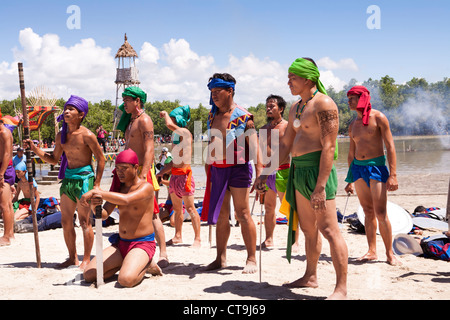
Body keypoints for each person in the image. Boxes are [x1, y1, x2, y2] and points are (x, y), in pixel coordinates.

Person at [255, 58, 348, 299]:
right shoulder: (296, 108)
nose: (288, 82)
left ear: (308, 78)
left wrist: (319, 187)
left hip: (318, 172)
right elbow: (286, 144)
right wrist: (266, 172)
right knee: (308, 230)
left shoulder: (324, 104)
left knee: (329, 230)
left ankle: (341, 288)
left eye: (292, 78)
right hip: (297, 170)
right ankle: (311, 276)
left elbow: (328, 147)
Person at [24, 95, 105, 270]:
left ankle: (86, 259)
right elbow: (54, 159)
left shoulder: (88, 135)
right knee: (66, 222)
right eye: (66, 109)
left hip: (84, 180)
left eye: (71, 109)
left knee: (84, 222)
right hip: (68, 180)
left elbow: (101, 159)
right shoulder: (61, 135)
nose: (66, 111)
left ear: (81, 114)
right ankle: (72, 258)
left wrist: (97, 185)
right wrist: (35, 149)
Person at [202, 73, 262, 274]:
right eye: (212, 92)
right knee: (221, 215)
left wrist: (261, 174)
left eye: (218, 91)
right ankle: (220, 258)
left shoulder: (244, 117)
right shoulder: (212, 115)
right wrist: (207, 166)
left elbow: (254, 149)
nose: (214, 95)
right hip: (217, 170)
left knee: (243, 213)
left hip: (239, 169)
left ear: (230, 91)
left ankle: (251, 258)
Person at [81, 149, 162, 287]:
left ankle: (146, 263)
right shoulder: (118, 189)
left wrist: (97, 191)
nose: (120, 172)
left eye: (124, 168)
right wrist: (96, 206)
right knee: (89, 275)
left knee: (125, 280)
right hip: (122, 243)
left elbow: (127, 200)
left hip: (141, 244)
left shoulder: (146, 187)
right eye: (117, 169)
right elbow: (105, 214)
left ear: (136, 168)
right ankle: (128, 263)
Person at [344, 85, 400, 266]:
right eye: (348, 98)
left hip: (376, 167)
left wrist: (393, 175)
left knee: (381, 213)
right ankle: (371, 251)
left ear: (362, 98)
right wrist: (350, 178)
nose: (349, 101)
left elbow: (390, 147)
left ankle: (390, 253)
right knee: (367, 211)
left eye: (352, 98)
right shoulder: (353, 125)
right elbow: (351, 153)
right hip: (358, 169)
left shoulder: (379, 117)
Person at [115, 86, 169, 268]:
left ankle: (163, 253)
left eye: (127, 101)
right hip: (129, 173)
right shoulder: (130, 121)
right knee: (129, 211)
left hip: (142, 173)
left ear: (137, 101)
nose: (124, 104)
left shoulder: (145, 120)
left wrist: (144, 175)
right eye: (123, 100)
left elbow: (149, 149)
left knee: (153, 214)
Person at [158, 106, 201, 248]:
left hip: (184, 176)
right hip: (175, 176)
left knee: (190, 208)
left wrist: (164, 114)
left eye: (174, 118)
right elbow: (174, 161)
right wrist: (161, 172)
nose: (172, 121)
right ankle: (178, 236)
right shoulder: (176, 137)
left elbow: (169, 124)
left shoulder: (186, 133)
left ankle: (198, 238)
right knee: (177, 209)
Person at [258, 94, 289, 248]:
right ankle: (269, 238)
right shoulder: (264, 129)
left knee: (288, 206)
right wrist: (259, 176)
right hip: (267, 173)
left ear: (281, 109)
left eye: (272, 106)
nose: (268, 108)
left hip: (284, 171)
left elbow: (287, 151)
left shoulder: (287, 127)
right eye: (267, 106)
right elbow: (261, 155)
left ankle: (294, 239)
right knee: (269, 207)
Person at [0, 118, 16, 246]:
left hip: (4, 168)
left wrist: (1, 173)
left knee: (4, 204)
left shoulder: (4, 132)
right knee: (8, 203)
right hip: (7, 167)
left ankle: (6, 237)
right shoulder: (4, 131)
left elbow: (6, 154)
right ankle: (10, 233)